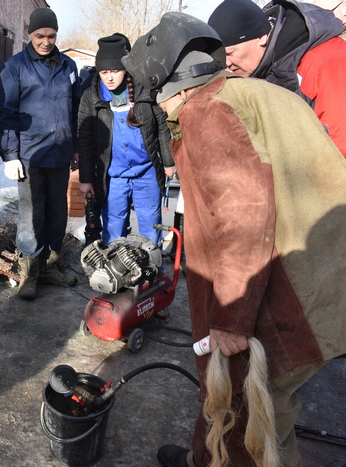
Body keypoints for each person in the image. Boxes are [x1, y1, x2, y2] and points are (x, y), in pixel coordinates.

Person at [123, 12, 346, 467]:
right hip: (321, 289)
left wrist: (231, 318)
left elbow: (244, 214)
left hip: (283, 303)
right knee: (258, 413)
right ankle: (199, 458)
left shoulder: (206, 110)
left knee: (252, 424)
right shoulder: (257, 93)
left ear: (170, 83)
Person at [0, 7, 80, 300]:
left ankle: (49, 267)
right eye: (40, 35)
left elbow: (75, 110)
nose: (46, 41)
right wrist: (10, 154)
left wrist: (75, 147)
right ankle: (29, 273)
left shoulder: (69, 66)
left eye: (51, 35)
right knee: (31, 215)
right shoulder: (15, 67)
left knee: (58, 212)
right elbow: (6, 114)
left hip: (59, 154)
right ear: (30, 34)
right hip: (30, 155)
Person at [208, 0, 346, 156]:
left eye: (230, 53)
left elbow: (340, 144)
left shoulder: (325, 62)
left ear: (261, 38)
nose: (227, 63)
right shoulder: (270, 66)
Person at [77, 34, 174, 247]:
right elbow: (84, 140)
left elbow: (162, 129)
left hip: (146, 171)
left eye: (115, 71)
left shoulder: (145, 90)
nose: (109, 78)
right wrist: (86, 178)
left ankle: (152, 270)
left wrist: (168, 162)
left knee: (151, 222)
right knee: (113, 224)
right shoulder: (90, 97)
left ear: (126, 69)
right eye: (104, 72)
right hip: (113, 176)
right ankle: (115, 272)